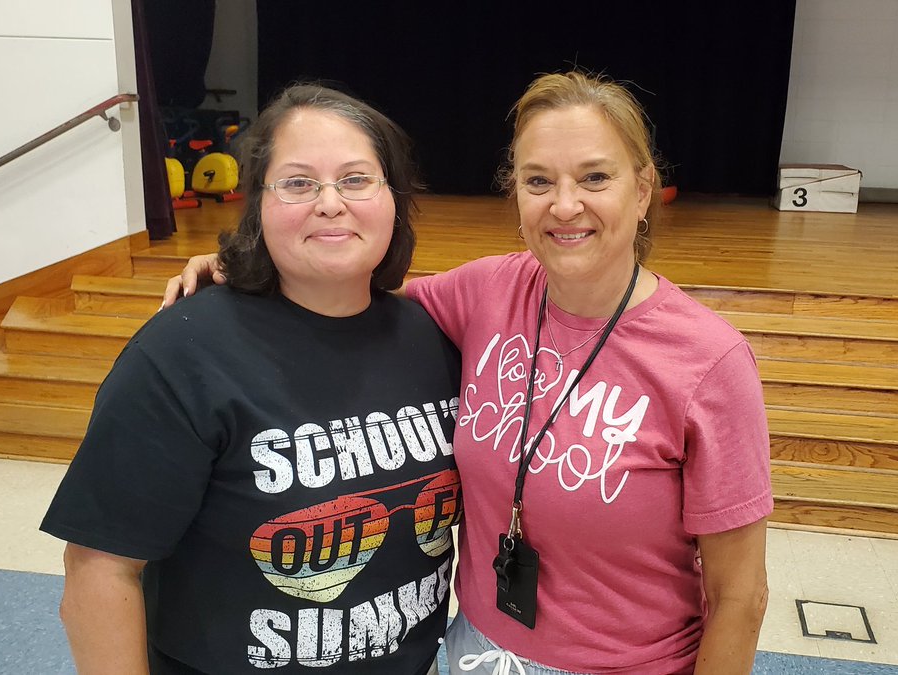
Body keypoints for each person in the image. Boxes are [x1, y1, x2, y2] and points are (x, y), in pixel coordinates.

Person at [167, 71, 772, 674]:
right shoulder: (488, 291)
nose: (565, 205)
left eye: (595, 177)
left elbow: (739, 597)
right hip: (473, 650)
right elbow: (348, 279)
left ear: (642, 192)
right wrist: (241, 265)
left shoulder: (708, 363)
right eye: (539, 181)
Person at [42, 84, 462, 674]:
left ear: (394, 196)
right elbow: (101, 570)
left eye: (356, 178)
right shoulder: (181, 353)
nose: (330, 202)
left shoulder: (437, 337)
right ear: (257, 204)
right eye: (297, 183)